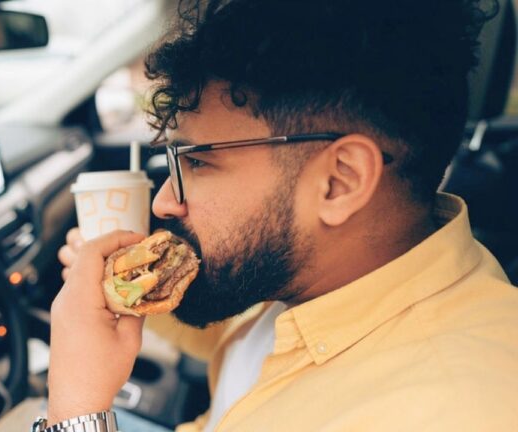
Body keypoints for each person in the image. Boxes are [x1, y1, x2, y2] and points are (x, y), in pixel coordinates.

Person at [46, 0, 518, 430]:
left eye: (196, 161)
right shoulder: (329, 272)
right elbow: (250, 344)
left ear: (340, 181)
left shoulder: (450, 409)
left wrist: (76, 405)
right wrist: (129, 298)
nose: (164, 202)